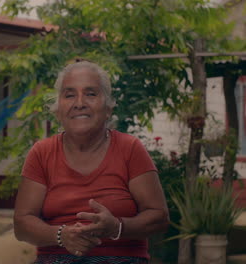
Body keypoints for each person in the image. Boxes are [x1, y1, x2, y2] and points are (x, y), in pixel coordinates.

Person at [14, 60, 169, 264]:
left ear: (108, 107)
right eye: (70, 95)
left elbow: (159, 218)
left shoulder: (129, 149)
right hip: (56, 259)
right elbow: (22, 224)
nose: (79, 103)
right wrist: (61, 235)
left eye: (91, 94)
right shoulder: (41, 153)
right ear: (58, 109)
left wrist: (116, 227)